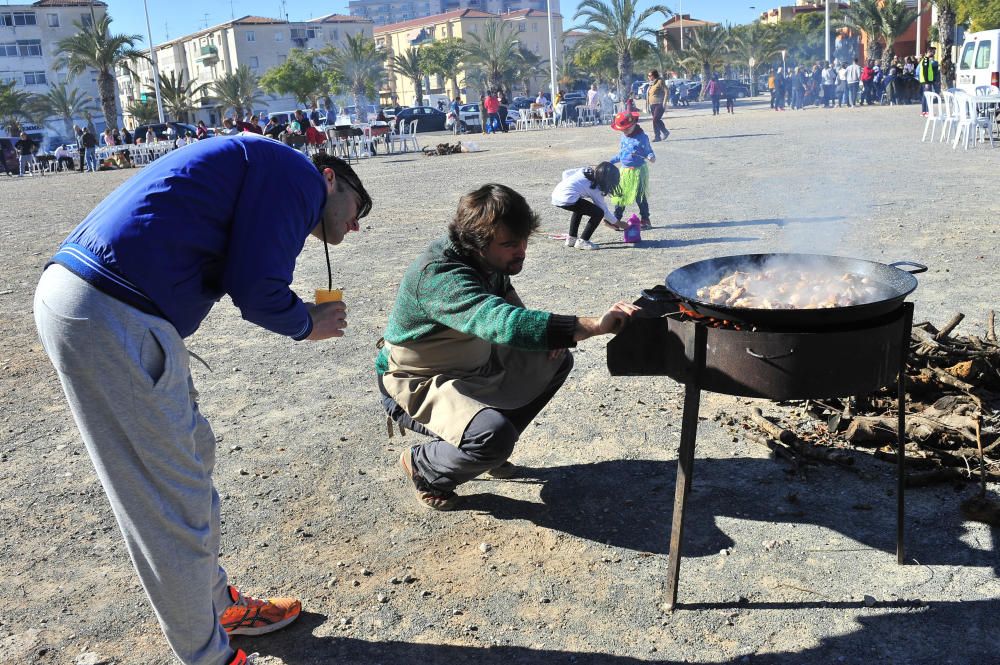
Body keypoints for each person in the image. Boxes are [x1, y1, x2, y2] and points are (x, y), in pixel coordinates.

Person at [33, 137, 373, 665]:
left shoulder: (266, 166)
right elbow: (256, 287)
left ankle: (217, 606)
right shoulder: (298, 175)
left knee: (195, 454)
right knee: (171, 505)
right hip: (112, 311)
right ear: (330, 177)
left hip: (107, 304)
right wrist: (308, 323)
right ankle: (209, 657)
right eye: (359, 206)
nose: (356, 225)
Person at [377, 183, 639, 510]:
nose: (522, 251)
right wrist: (592, 326)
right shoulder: (441, 275)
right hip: (414, 382)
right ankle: (426, 466)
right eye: (510, 244)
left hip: (472, 366)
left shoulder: (489, 260)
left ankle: (482, 452)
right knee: (492, 436)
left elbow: (511, 304)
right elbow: (501, 321)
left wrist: (548, 338)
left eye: (525, 240)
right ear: (476, 242)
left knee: (555, 360)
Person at [552, 162, 622, 250]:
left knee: (580, 207)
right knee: (598, 213)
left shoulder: (585, 170)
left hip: (556, 195)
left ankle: (571, 239)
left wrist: (568, 186)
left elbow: (566, 173)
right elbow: (604, 211)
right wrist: (619, 223)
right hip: (567, 198)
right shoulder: (596, 189)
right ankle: (583, 241)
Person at [607, 111, 655, 230]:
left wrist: (651, 156)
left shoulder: (642, 137)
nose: (624, 131)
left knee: (640, 196)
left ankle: (645, 219)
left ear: (634, 123)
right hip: (625, 172)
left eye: (627, 128)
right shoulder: (624, 137)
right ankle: (615, 220)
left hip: (638, 172)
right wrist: (611, 161)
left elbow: (648, 151)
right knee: (621, 195)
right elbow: (622, 154)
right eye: (622, 129)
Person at [918, 46, 939, 115]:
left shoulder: (926, 60)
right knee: (927, 97)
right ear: (929, 52)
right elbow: (925, 71)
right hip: (926, 82)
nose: (934, 54)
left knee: (925, 96)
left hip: (926, 81)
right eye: (933, 52)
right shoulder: (926, 60)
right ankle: (926, 112)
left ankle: (924, 111)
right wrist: (927, 82)